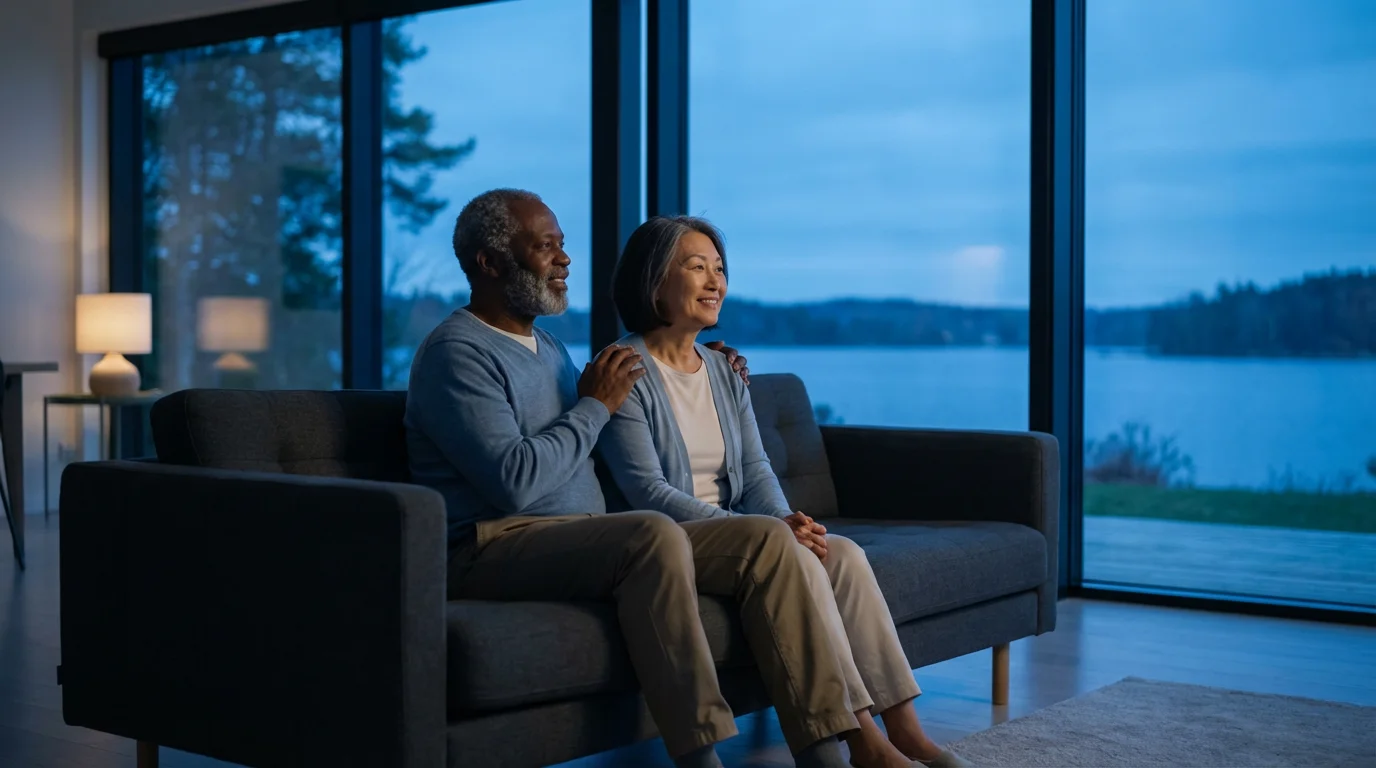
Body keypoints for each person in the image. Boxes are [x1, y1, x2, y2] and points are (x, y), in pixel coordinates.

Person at [405, 188, 913, 768]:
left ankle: (837, 750)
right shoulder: (457, 352)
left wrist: (708, 371)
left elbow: (585, 447)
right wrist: (597, 405)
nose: (565, 260)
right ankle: (702, 757)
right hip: (493, 544)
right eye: (546, 247)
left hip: (580, 537)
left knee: (782, 541)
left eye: (563, 246)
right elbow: (516, 483)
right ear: (488, 263)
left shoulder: (547, 347)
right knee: (653, 532)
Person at [596, 215, 972, 768]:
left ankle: (908, 733)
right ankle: (862, 741)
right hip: (675, 541)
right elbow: (648, 492)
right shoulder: (623, 371)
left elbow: (756, 467)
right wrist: (772, 532)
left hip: (748, 535)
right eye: (696, 267)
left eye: (720, 269)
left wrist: (788, 520)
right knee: (789, 549)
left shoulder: (724, 369)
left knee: (841, 553)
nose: (714, 281)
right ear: (654, 281)